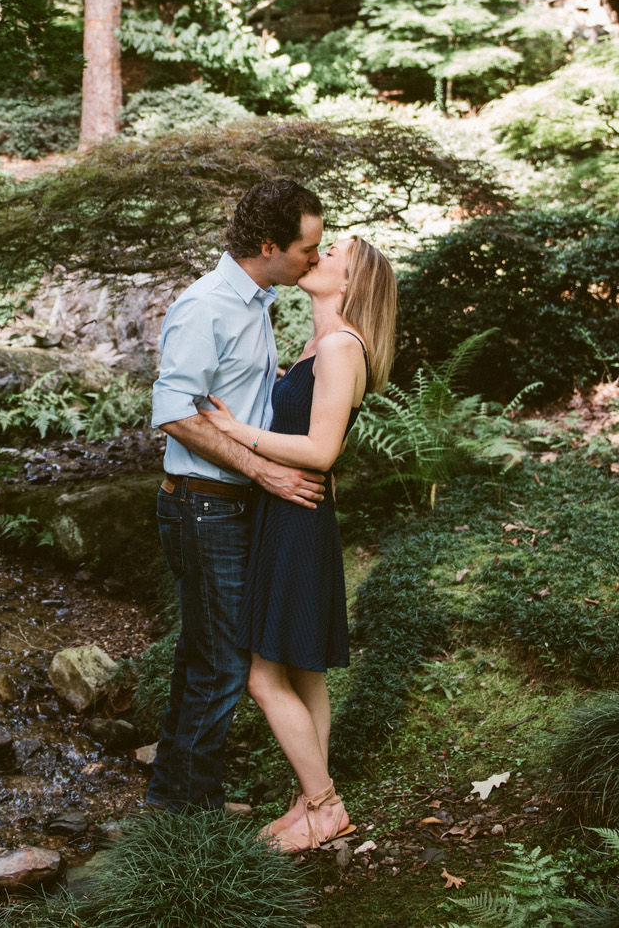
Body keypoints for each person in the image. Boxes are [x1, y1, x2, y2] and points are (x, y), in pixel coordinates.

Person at [199, 235, 397, 851]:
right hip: (287, 508)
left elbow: (321, 450)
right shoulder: (320, 343)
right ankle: (306, 801)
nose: (318, 254)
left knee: (265, 676)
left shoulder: (340, 346)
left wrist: (235, 431)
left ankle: (325, 806)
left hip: (296, 514)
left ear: (352, 281)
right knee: (305, 672)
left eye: (332, 252)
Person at [145, 179, 328, 812]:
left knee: (208, 656)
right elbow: (171, 410)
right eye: (308, 248)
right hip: (203, 505)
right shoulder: (208, 305)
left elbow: (234, 393)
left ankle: (180, 798)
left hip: (230, 504)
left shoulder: (256, 301)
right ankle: (186, 819)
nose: (315, 258)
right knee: (223, 665)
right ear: (269, 245)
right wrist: (266, 471)